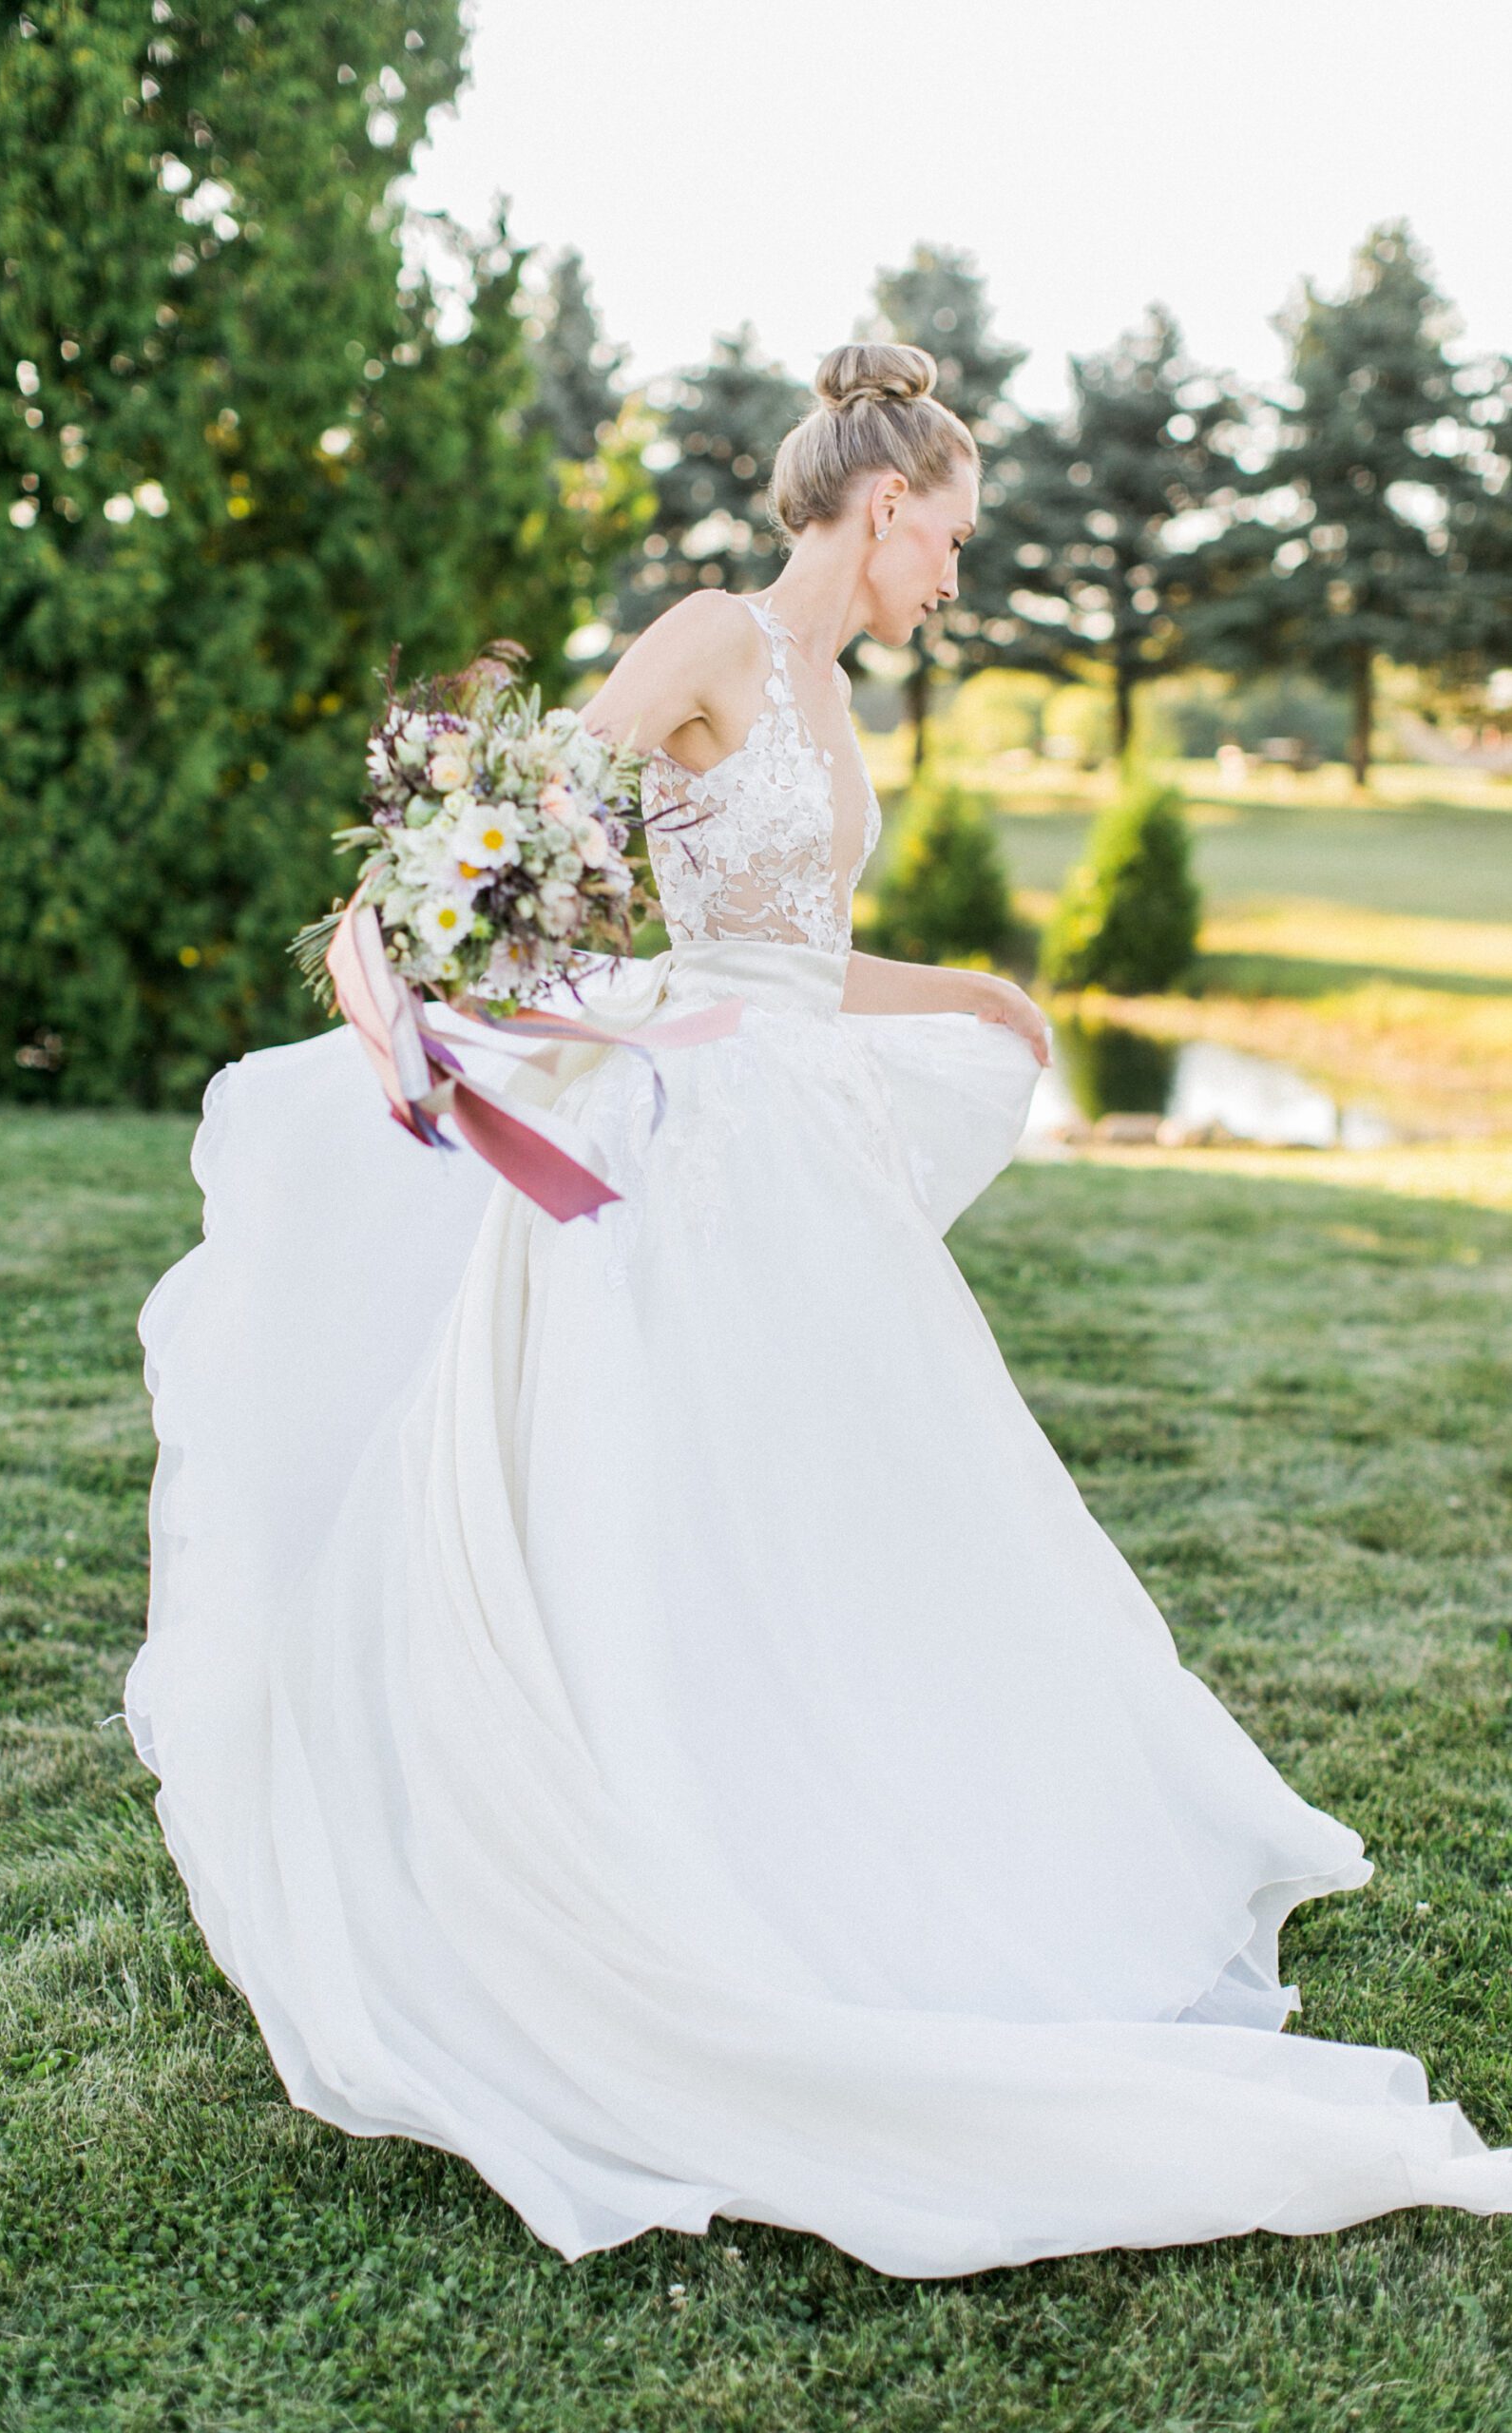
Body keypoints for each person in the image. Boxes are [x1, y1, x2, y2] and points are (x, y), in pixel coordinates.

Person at [124, 343, 1512, 2278]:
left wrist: (967, 993)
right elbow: (522, 852)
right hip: (678, 1151)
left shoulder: (837, 699)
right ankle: (662, 1874)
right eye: (943, 539)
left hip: (781, 1147)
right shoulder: (706, 633)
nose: (951, 579)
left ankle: (847, 1830)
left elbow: (792, 957)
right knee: (675, 1512)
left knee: (844, 1516)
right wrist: (484, 965)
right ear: (874, 513)